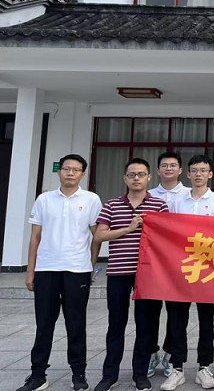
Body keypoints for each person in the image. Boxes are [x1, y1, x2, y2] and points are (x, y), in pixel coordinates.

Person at [16, 154, 102, 391]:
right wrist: (30, 271)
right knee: (44, 323)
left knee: (76, 323)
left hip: (77, 270)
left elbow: (96, 237)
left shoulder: (92, 199)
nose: (70, 173)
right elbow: (35, 238)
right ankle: (38, 375)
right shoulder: (44, 199)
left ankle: (78, 373)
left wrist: (90, 265)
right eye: (66, 168)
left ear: (83, 173)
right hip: (46, 269)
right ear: (59, 171)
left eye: (76, 169)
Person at [94, 159, 168, 391]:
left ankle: (140, 374)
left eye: (141, 174)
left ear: (149, 178)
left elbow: (166, 238)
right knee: (116, 324)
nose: (136, 178)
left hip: (147, 275)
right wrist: (129, 228)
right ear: (124, 178)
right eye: (132, 174)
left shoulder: (159, 206)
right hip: (118, 272)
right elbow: (99, 236)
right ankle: (110, 375)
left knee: (146, 326)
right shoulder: (112, 205)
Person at [162, 155, 214, 391]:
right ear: (187, 174)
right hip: (181, 268)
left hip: (208, 269)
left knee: (206, 320)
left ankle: (204, 367)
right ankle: (177, 368)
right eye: (194, 170)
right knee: (177, 319)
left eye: (203, 170)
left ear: (210, 174)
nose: (198, 174)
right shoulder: (177, 201)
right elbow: (169, 231)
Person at [147, 152, 190, 380]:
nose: (169, 169)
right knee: (150, 312)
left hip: (181, 263)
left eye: (173, 165)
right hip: (154, 262)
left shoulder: (189, 195)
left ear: (181, 170)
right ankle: (151, 352)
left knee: (177, 314)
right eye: (164, 165)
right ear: (157, 170)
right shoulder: (149, 195)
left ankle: (171, 354)